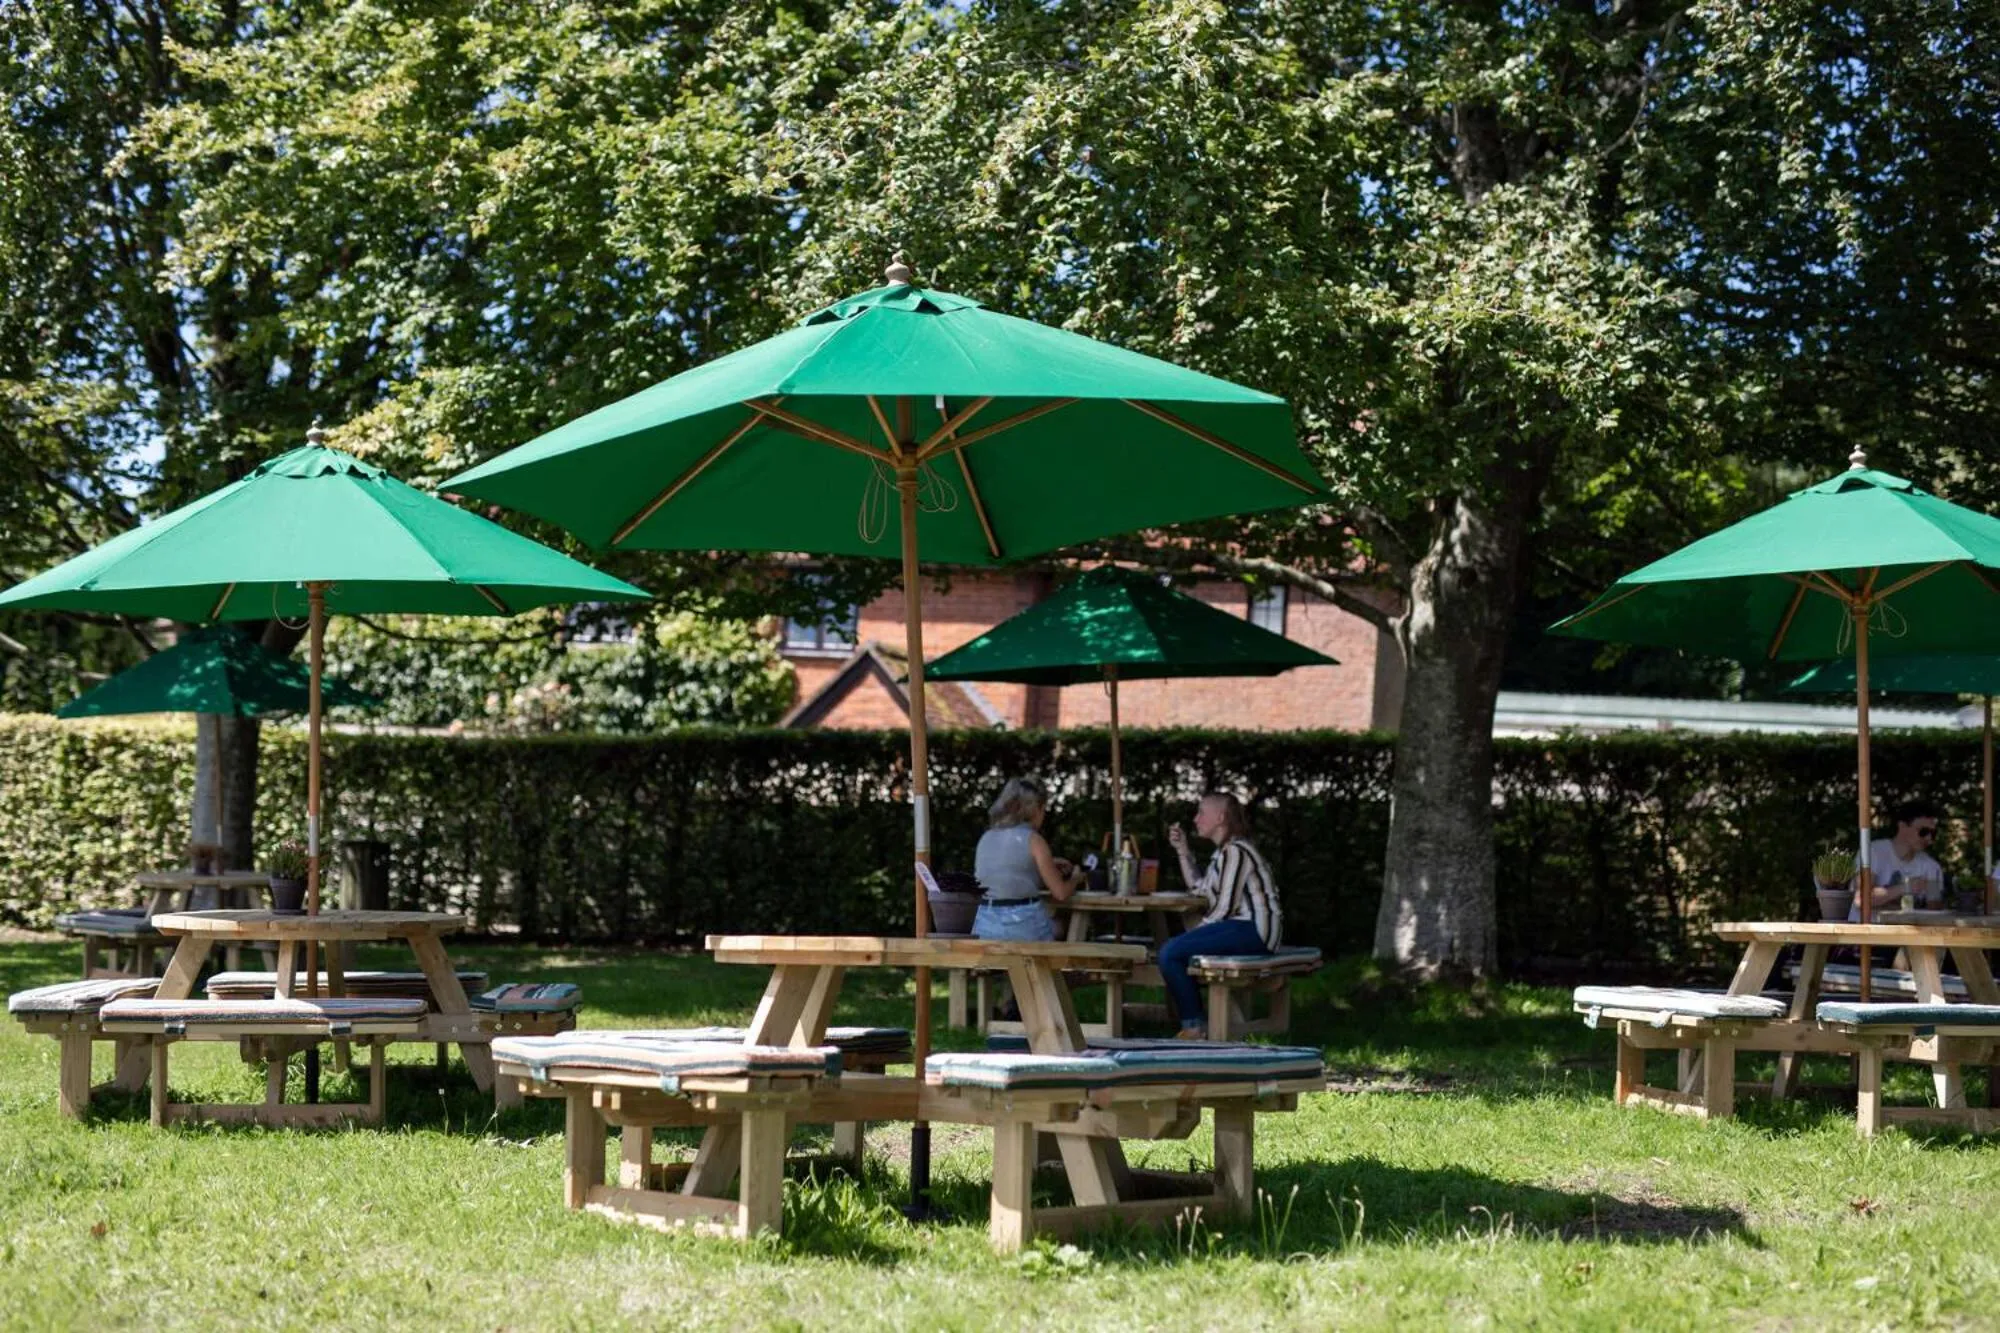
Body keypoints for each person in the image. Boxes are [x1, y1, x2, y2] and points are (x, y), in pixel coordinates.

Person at [1160, 791, 1280, 1039]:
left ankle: (1194, 1027)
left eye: (1202, 812)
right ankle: (1196, 1024)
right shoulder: (1223, 853)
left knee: (1170, 952)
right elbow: (1199, 888)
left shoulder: (1237, 852)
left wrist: (1193, 935)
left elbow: (1224, 908)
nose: (1196, 819)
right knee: (1174, 951)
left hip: (1255, 930)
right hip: (1242, 928)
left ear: (1221, 817)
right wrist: (1183, 850)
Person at [971, 777, 1083, 942]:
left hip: (985, 928)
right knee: (1063, 925)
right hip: (1022, 929)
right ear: (1036, 809)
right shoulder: (1034, 840)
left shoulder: (986, 837)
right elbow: (1060, 893)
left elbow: (1009, 873)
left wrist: (1048, 864)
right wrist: (1076, 877)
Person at [1851, 799, 1945, 919]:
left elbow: (1934, 911)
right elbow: (1861, 899)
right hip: (1869, 932)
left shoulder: (1931, 866)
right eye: (1923, 832)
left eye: (1933, 833)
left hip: (1906, 934)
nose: (1929, 838)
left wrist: (1933, 899)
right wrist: (1906, 888)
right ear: (1902, 826)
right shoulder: (1874, 852)